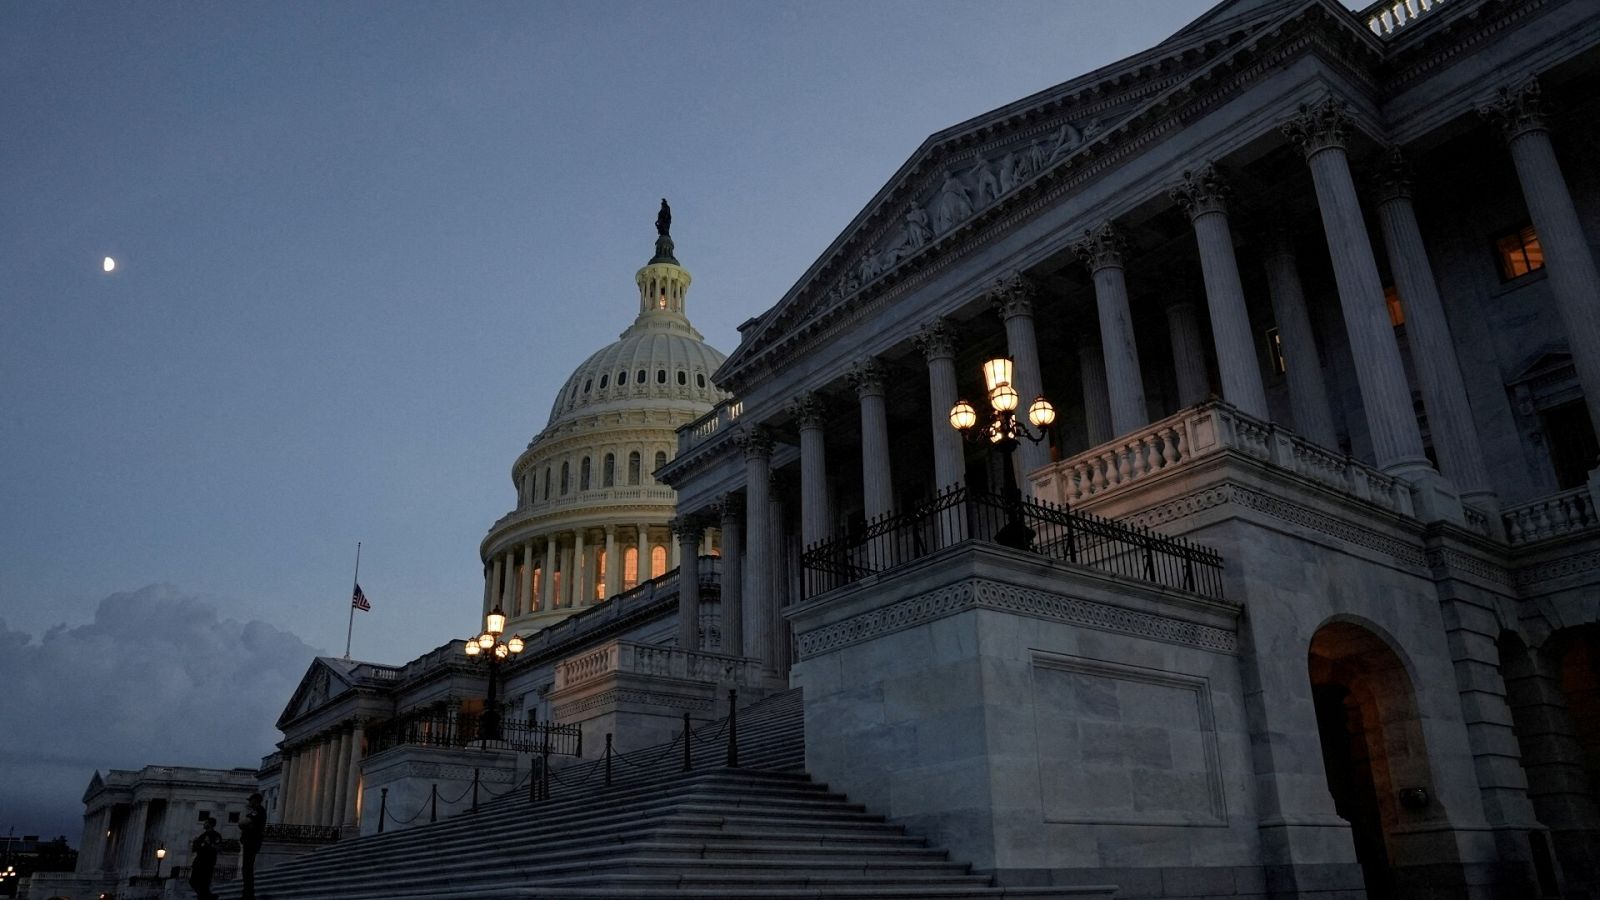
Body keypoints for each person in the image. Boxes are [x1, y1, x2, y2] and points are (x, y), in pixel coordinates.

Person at [239, 792, 266, 900]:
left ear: (256, 800)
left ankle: (248, 894)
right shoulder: (256, 811)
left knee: (247, 869)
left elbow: (242, 823)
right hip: (250, 841)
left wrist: (244, 823)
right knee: (246, 869)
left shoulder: (259, 810)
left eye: (251, 800)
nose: (249, 802)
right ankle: (247, 893)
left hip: (252, 842)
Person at [189, 816, 222, 900]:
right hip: (199, 861)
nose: (204, 824)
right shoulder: (202, 835)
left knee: (204, 883)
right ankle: (209, 896)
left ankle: (205, 897)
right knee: (193, 881)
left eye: (206, 822)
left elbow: (218, 848)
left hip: (208, 862)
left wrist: (209, 843)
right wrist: (195, 843)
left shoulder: (216, 835)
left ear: (210, 824)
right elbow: (196, 849)